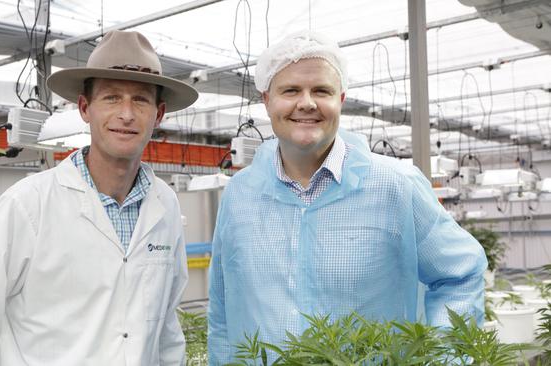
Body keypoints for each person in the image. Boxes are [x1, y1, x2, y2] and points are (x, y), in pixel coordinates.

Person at [207, 31, 487, 363]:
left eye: (321, 90)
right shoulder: (241, 194)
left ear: (340, 99)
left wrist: (444, 358)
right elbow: (223, 307)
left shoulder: (395, 185)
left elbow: (460, 274)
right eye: (291, 90)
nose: (307, 103)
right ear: (267, 100)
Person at [0, 30, 198, 365]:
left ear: (158, 115)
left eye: (140, 100)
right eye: (111, 97)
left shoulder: (165, 206)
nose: (126, 114)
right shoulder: (29, 204)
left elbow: (166, 328)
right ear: (85, 108)